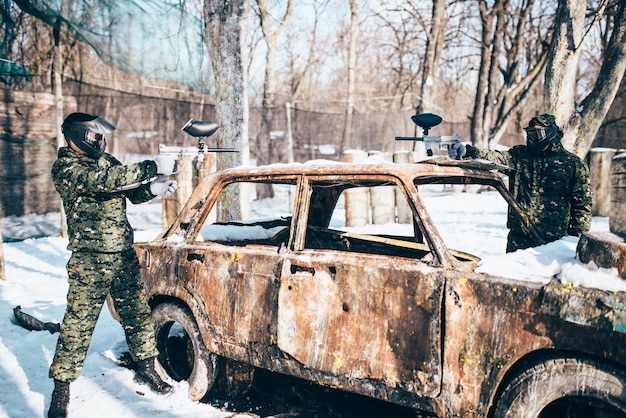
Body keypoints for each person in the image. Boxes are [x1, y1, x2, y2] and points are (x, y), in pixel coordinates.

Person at [47, 112, 178, 417]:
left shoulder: (109, 161)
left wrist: (152, 188)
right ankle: (61, 387)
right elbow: (105, 182)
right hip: (90, 259)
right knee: (78, 324)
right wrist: (152, 165)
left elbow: (129, 191)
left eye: (100, 137)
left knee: (137, 314)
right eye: (94, 137)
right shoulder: (66, 168)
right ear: (76, 136)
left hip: (122, 252)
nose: (100, 142)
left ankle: (146, 367)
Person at [448, 113, 592, 253]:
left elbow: (582, 207)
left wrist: (574, 243)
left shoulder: (573, 165)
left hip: (554, 243)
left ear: (550, 133)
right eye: (529, 134)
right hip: (519, 240)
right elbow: (495, 158)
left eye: (537, 134)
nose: (532, 138)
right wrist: (468, 151)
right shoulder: (519, 157)